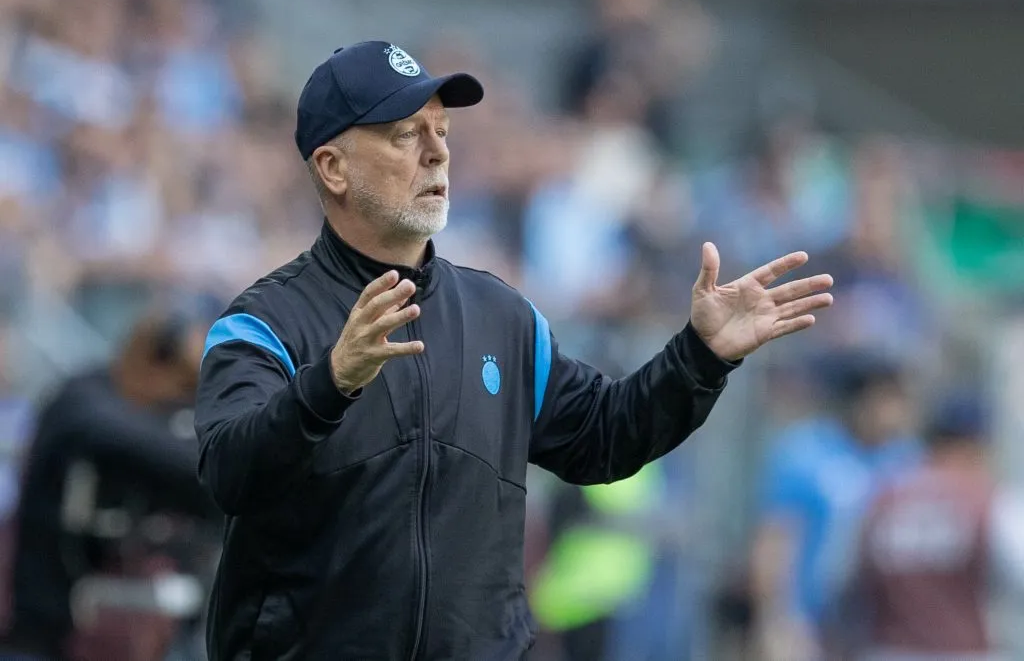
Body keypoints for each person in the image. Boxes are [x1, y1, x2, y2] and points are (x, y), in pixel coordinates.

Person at [194, 40, 835, 660]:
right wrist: (329, 383)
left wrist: (700, 356)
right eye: (404, 135)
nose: (437, 153)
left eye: (441, 131)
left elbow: (604, 437)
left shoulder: (502, 316)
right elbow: (229, 471)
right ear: (333, 167)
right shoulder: (262, 323)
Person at [0, 299, 222, 661]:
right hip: (37, 632)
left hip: (118, 632)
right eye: (184, 382)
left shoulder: (144, 411)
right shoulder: (84, 400)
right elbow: (174, 455)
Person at [750, 352, 922, 661]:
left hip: (881, 629)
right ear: (859, 400)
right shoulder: (805, 452)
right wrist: (775, 622)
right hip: (811, 625)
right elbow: (775, 540)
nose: (898, 411)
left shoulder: (907, 460)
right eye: (888, 398)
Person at [839, 391, 1024, 661]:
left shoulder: (880, 499)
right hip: (966, 652)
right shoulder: (988, 501)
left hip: (886, 651)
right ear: (975, 446)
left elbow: (844, 587)